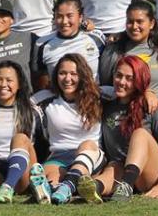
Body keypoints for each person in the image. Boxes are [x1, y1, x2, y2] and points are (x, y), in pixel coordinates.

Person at [77, 55, 158, 203]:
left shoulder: (151, 105)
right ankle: (95, 188)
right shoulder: (107, 103)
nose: (122, 82)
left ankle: (126, 186)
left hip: (148, 174)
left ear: (138, 81)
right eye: (118, 75)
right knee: (114, 166)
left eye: (129, 78)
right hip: (119, 168)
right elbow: (85, 89)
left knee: (140, 133)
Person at [99, 1, 158, 141]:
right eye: (130, 22)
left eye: (140, 21)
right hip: (138, 123)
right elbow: (110, 87)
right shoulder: (115, 50)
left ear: (151, 23)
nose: (134, 26)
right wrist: (144, 93)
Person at [31, 54, 104, 205]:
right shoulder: (44, 98)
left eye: (73, 74)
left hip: (91, 155)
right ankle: (52, 190)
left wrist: (149, 94)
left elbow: (127, 92)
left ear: (82, 75)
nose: (67, 78)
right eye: (62, 73)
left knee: (87, 144)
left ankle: (68, 186)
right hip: (59, 155)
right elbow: (16, 102)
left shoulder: (99, 95)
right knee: (50, 177)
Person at [0, 61, 45, 205]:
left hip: (23, 172)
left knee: (20, 138)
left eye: (9, 80)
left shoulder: (32, 111)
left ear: (19, 84)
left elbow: (43, 145)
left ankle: (8, 186)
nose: (3, 84)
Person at [32, 0, 106, 88]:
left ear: (80, 17)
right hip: (59, 96)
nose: (64, 21)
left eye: (69, 16)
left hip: (92, 95)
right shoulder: (42, 44)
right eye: (59, 16)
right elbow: (42, 84)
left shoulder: (96, 38)